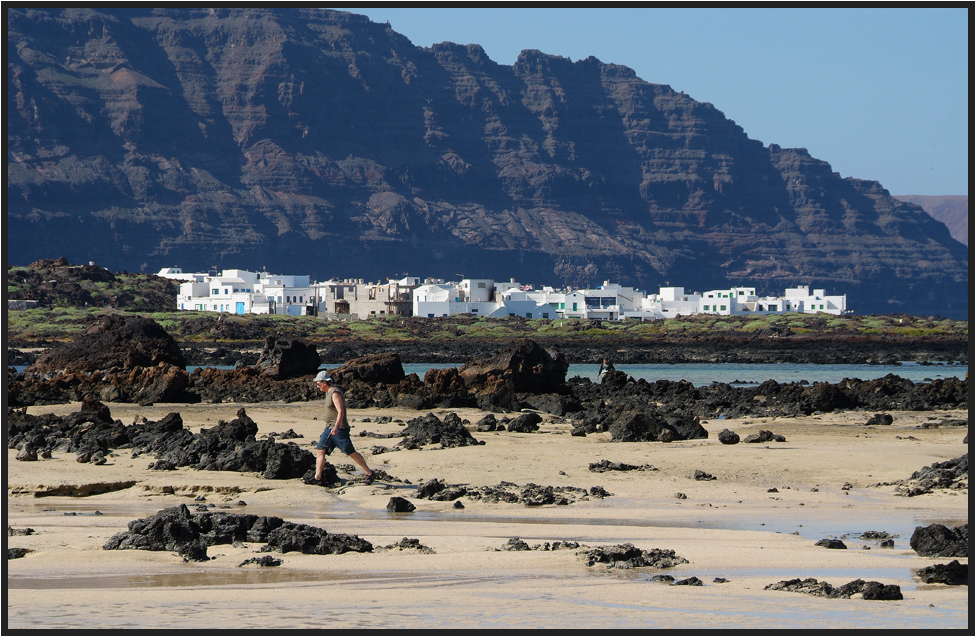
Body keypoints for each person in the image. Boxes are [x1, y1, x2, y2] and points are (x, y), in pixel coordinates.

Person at [304, 370, 375, 486]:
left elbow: (340, 411)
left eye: (318, 384)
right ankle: (318, 477)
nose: (317, 386)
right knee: (320, 449)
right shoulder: (328, 392)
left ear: (324, 383)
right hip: (329, 428)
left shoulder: (335, 393)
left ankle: (369, 473)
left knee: (350, 452)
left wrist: (336, 427)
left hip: (339, 429)